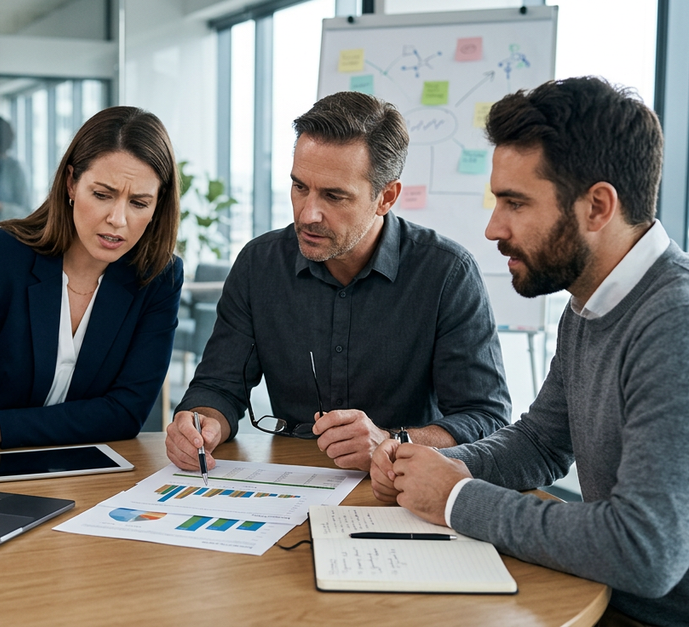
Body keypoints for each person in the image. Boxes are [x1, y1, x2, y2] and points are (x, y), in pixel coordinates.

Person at [371, 77, 689, 626]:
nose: (493, 227)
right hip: (614, 602)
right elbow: (541, 443)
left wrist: (455, 498)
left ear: (598, 206)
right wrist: (430, 465)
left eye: (514, 202)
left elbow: (643, 551)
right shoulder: (590, 304)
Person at [166, 91, 511, 474]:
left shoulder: (447, 273)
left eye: (334, 195)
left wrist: (392, 440)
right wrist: (201, 424)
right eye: (300, 187)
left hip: (405, 490)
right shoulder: (259, 265)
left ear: (387, 197)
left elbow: (486, 418)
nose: (308, 213)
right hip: (287, 486)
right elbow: (217, 386)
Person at [0, 106, 183, 448]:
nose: (118, 219)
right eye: (102, 195)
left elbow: (126, 413)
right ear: (71, 183)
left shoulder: (159, 277)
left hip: (84, 473)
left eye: (139, 203)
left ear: (158, 206)